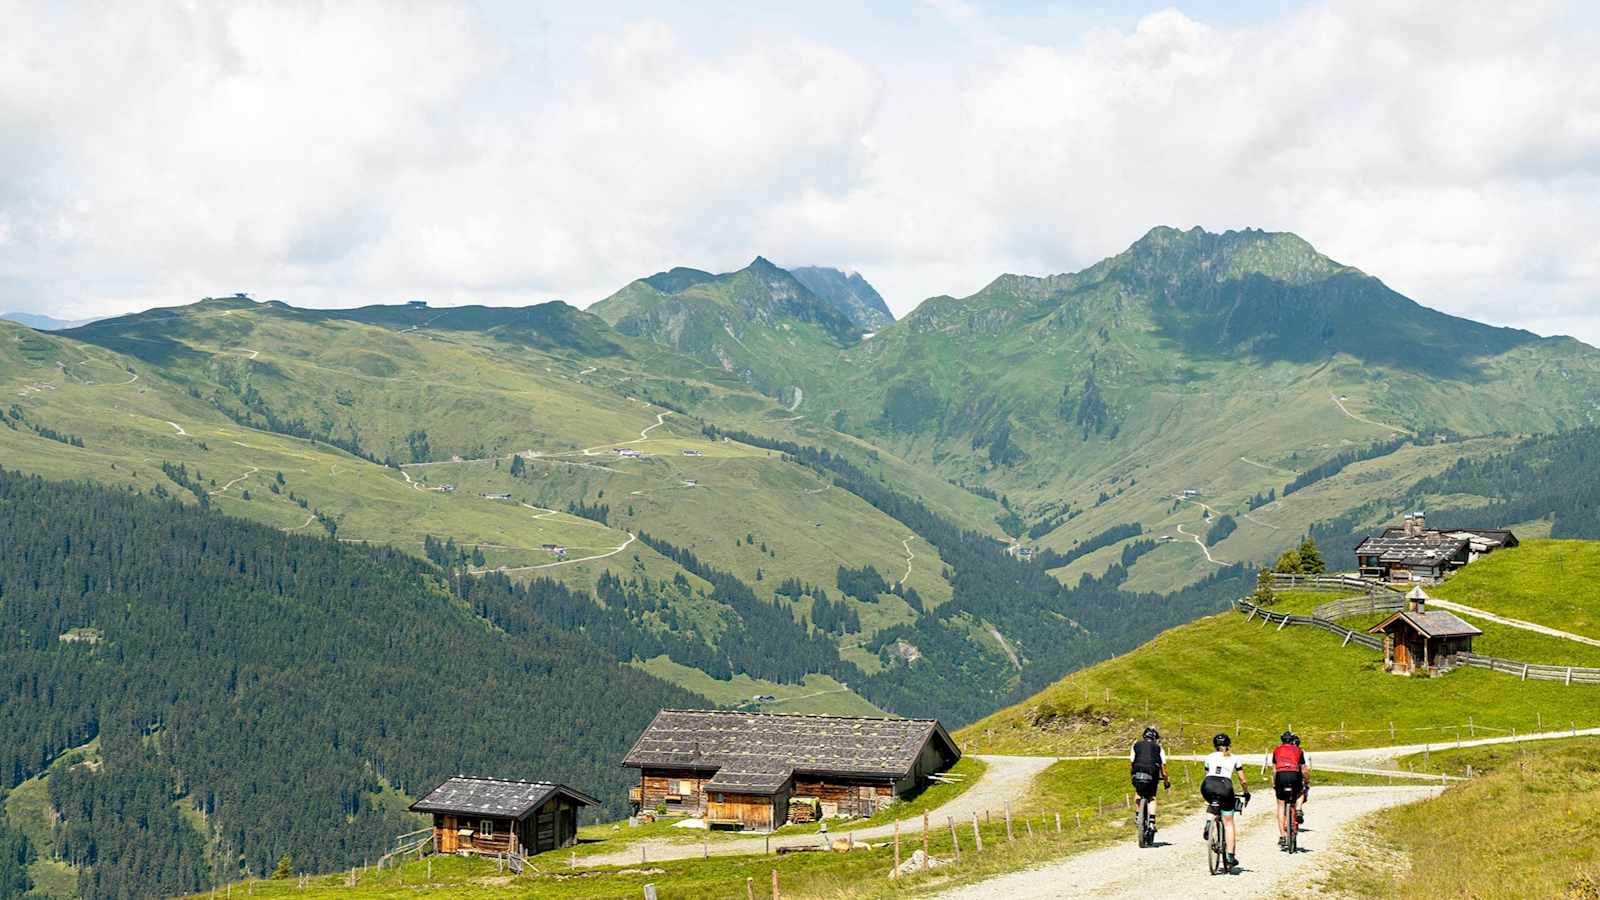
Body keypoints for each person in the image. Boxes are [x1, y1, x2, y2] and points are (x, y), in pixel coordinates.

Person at [1201, 733, 1250, 869]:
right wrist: (1246, 793)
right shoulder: (1234, 758)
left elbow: (1207, 774)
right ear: (1228, 745)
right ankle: (1230, 855)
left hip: (1208, 784)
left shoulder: (1209, 757)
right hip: (1225, 786)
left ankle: (1208, 823)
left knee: (1212, 803)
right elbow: (1243, 780)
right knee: (1228, 822)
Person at [1270, 731, 1310, 848]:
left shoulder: (1276, 750)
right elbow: (1304, 770)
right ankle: (1298, 809)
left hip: (1280, 776)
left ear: (1282, 740)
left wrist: (1274, 783)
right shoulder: (1299, 750)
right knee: (1300, 792)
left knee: (1281, 805)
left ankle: (1282, 836)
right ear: (1292, 740)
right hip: (1294, 775)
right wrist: (1306, 781)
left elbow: (1274, 770)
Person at [1129, 726, 1171, 833]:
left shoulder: (1136, 745)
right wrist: (1166, 782)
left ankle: (1138, 816)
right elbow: (1163, 768)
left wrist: (1133, 775)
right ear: (1155, 738)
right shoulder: (1158, 748)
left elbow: (1132, 763)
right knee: (1152, 797)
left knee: (1138, 792)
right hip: (1152, 773)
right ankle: (1152, 821)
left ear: (1144, 736)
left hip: (1137, 772)